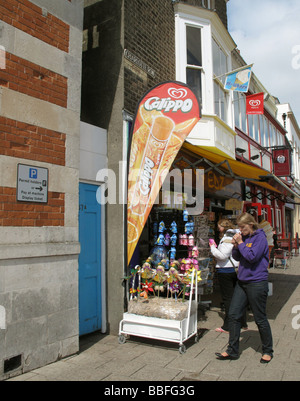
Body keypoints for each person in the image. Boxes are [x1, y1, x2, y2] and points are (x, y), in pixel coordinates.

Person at [215, 213, 273, 363]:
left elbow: (252, 257)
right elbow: (238, 257)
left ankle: (267, 350)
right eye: (239, 227)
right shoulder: (244, 238)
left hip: (257, 282)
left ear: (251, 224)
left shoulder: (260, 238)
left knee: (260, 318)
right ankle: (232, 350)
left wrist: (240, 243)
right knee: (234, 315)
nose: (240, 230)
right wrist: (236, 246)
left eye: (243, 227)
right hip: (242, 281)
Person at [209, 219, 247, 334]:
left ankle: (229, 325)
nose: (217, 228)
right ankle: (242, 322)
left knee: (228, 298)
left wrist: (212, 247)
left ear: (223, 227)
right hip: (235, 268)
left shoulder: (227, 238)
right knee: (238, 297)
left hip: (226, 270)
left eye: (219, 226)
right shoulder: (236, 234)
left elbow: (222, 256)